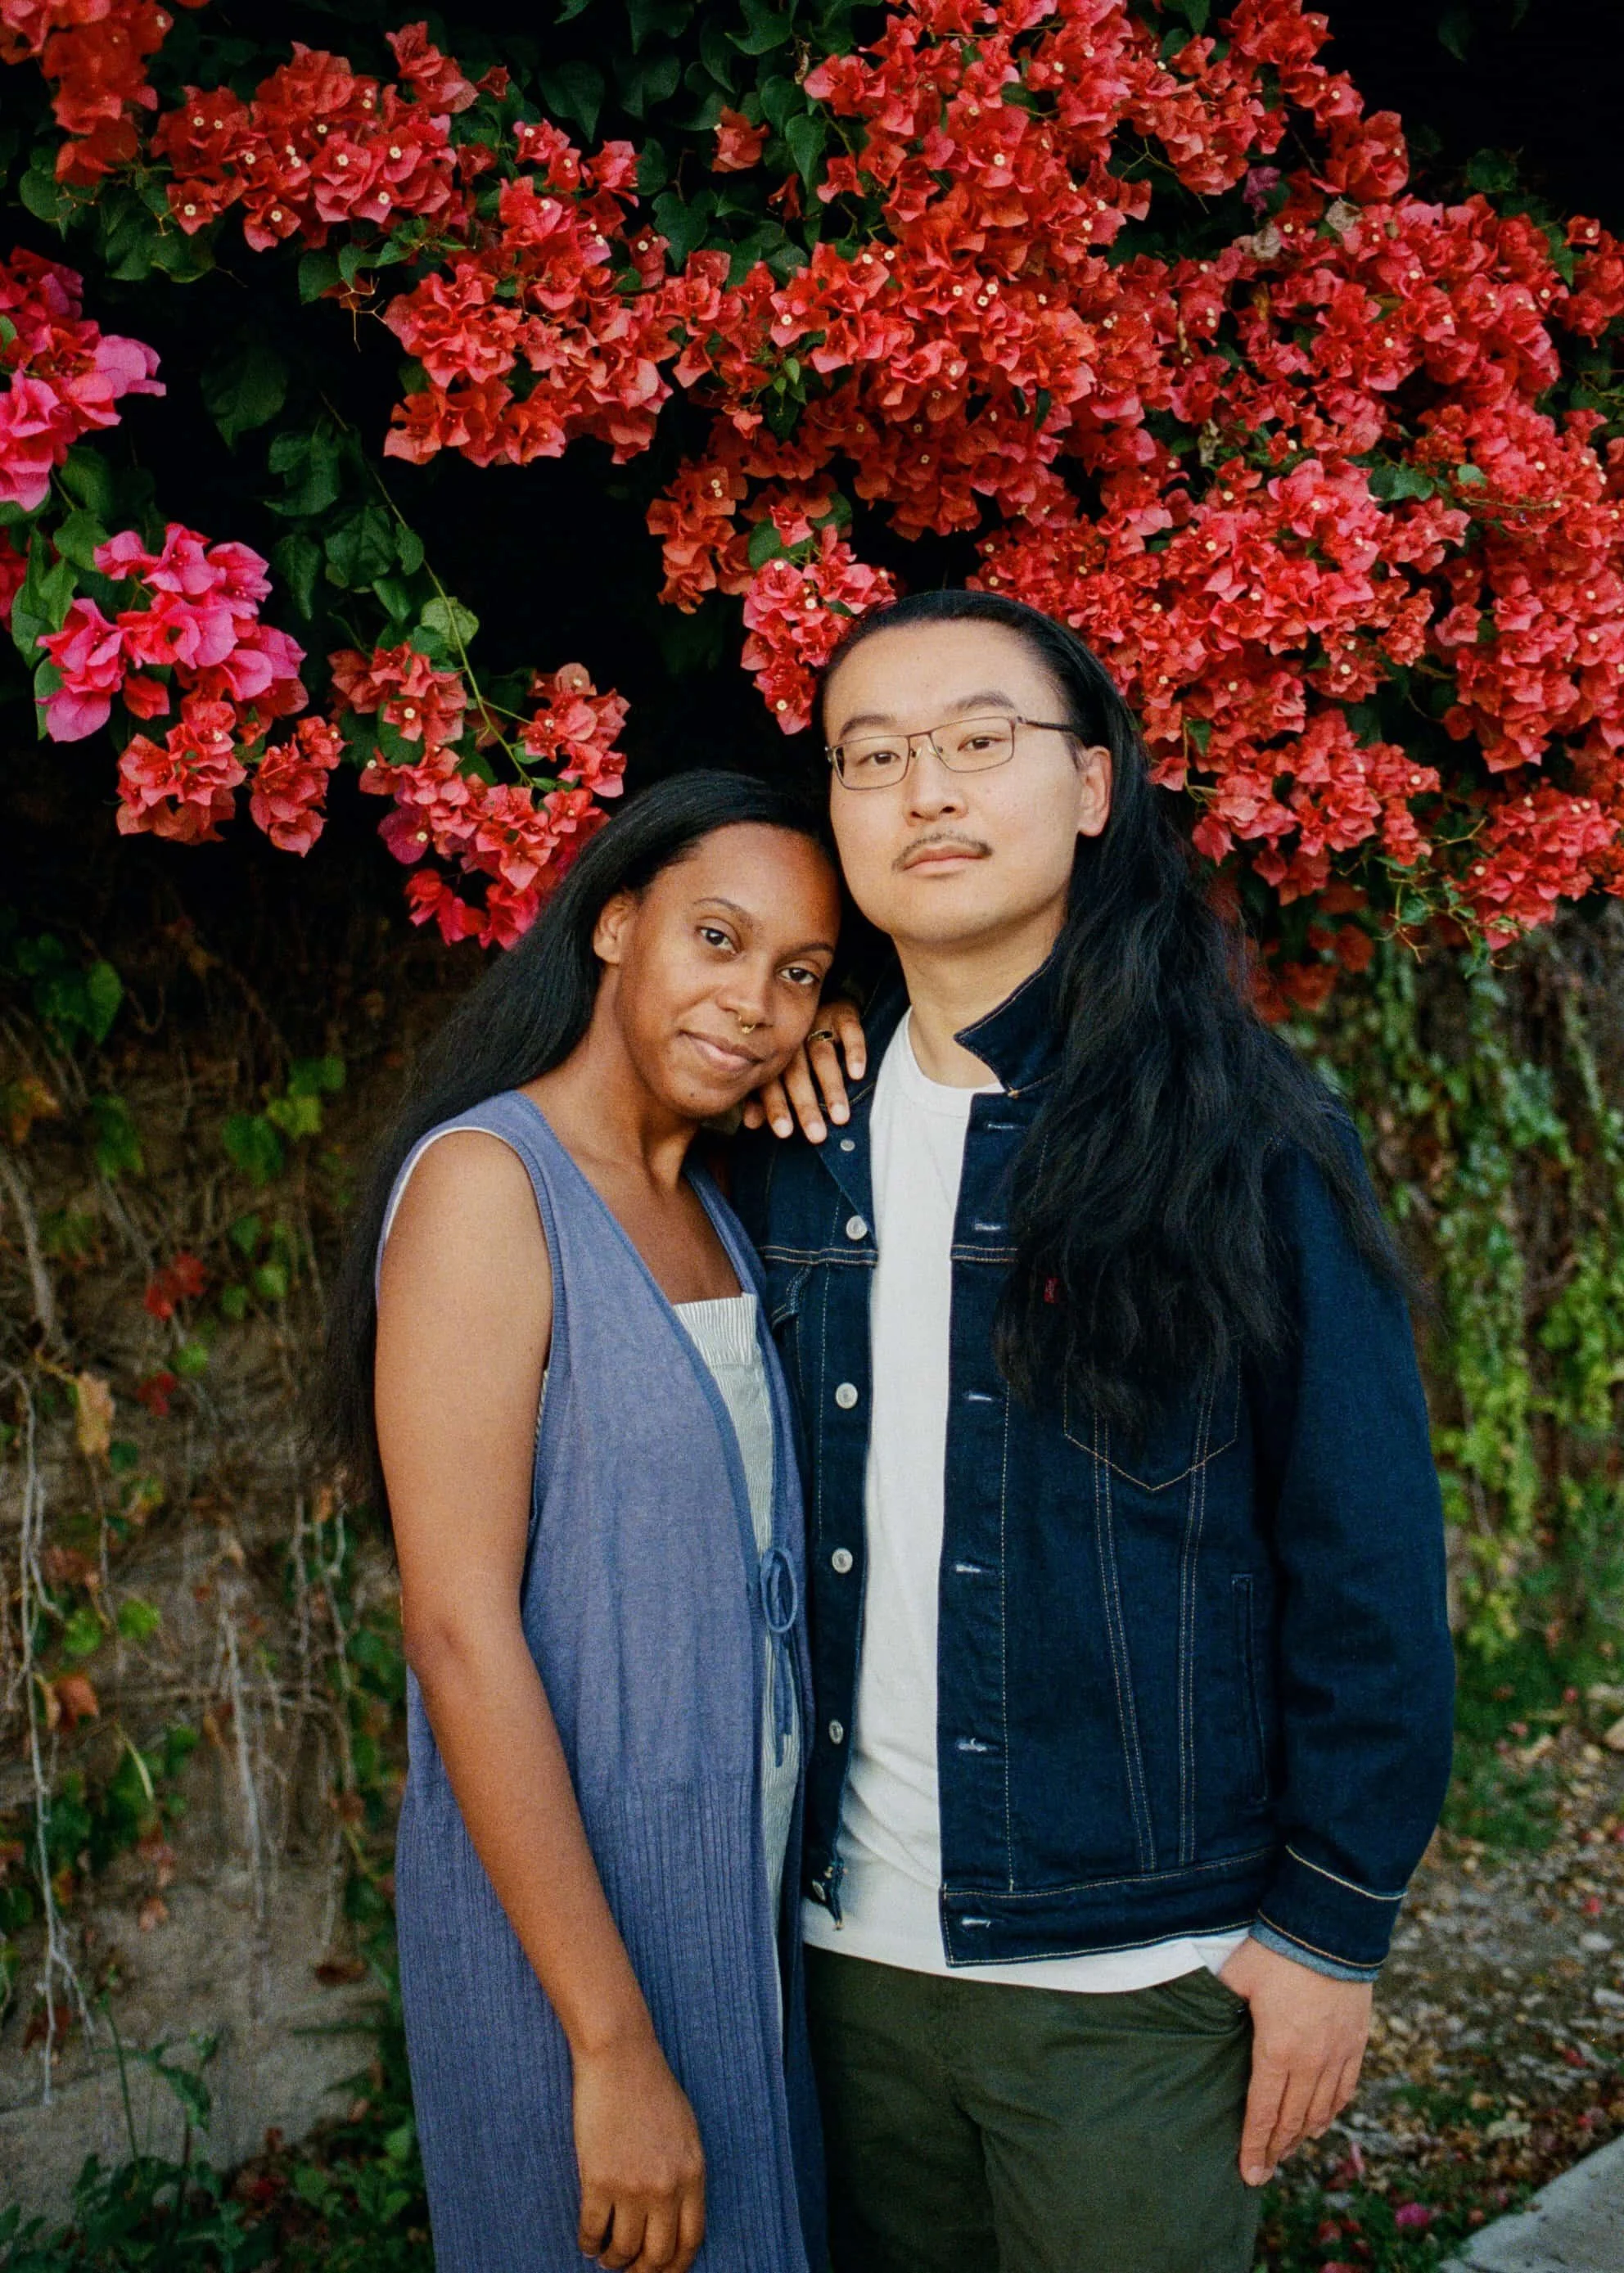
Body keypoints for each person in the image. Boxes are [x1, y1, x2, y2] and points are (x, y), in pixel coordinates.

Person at [732, 589, 1456, 2273]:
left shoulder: (1239, 1126)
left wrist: (1331, 1931)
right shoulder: (782, 1134)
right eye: (872, 756)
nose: (925, 791)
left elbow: (1361, 1552)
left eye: (979, 742)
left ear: (1089, 785)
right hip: (838, 1959)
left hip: (1135, 1977)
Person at [322, 773, 845, 2273]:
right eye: (718, 939)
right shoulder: (496, 1186)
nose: (752, 1003)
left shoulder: (715, 1197)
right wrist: (611, 2046)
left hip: (735, 1906)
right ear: (617, 925)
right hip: (576, 1937)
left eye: (798, 974)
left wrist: (841, 1039)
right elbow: (455, 1627)